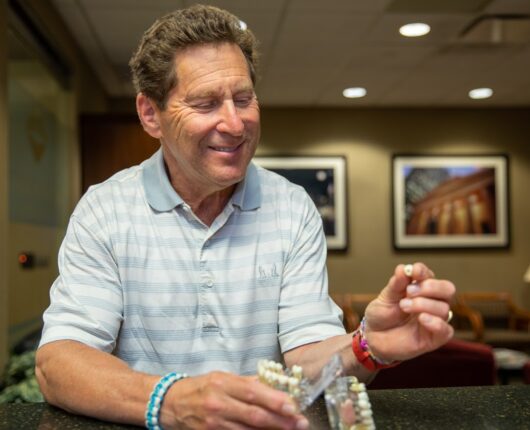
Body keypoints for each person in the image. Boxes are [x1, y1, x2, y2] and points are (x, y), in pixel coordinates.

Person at [35, 5, 455, 430]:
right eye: (205, 103)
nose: (235, 124)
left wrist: (367, 346)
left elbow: (307, 355)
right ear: (150, 114)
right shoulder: (104, 210)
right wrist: (176, 400)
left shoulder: (291, 208)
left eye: (243, 99)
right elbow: (59, 362)